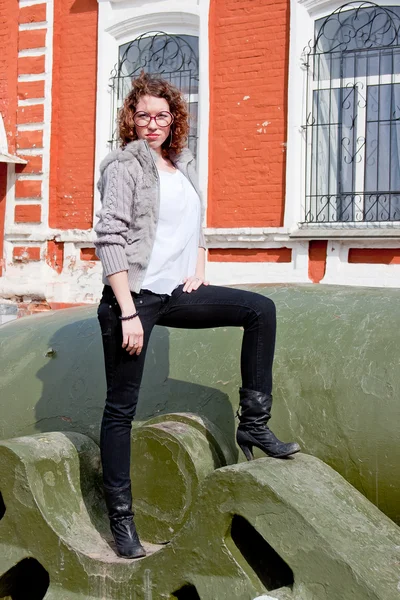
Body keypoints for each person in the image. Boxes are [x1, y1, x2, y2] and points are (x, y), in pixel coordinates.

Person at [94, 72, 300, 560]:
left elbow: (193, 226)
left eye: (162, 115)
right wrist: (127, 312)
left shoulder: (179, 166)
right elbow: (110, 239)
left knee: (259, 310)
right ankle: (122, 521)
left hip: (172, 294)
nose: (152, 123)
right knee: (121, 409)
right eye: (143, 114)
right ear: (131, 117)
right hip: (133, 298)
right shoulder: (123, 166)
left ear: (174, 119)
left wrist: (198, 268)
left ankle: (253, 423)